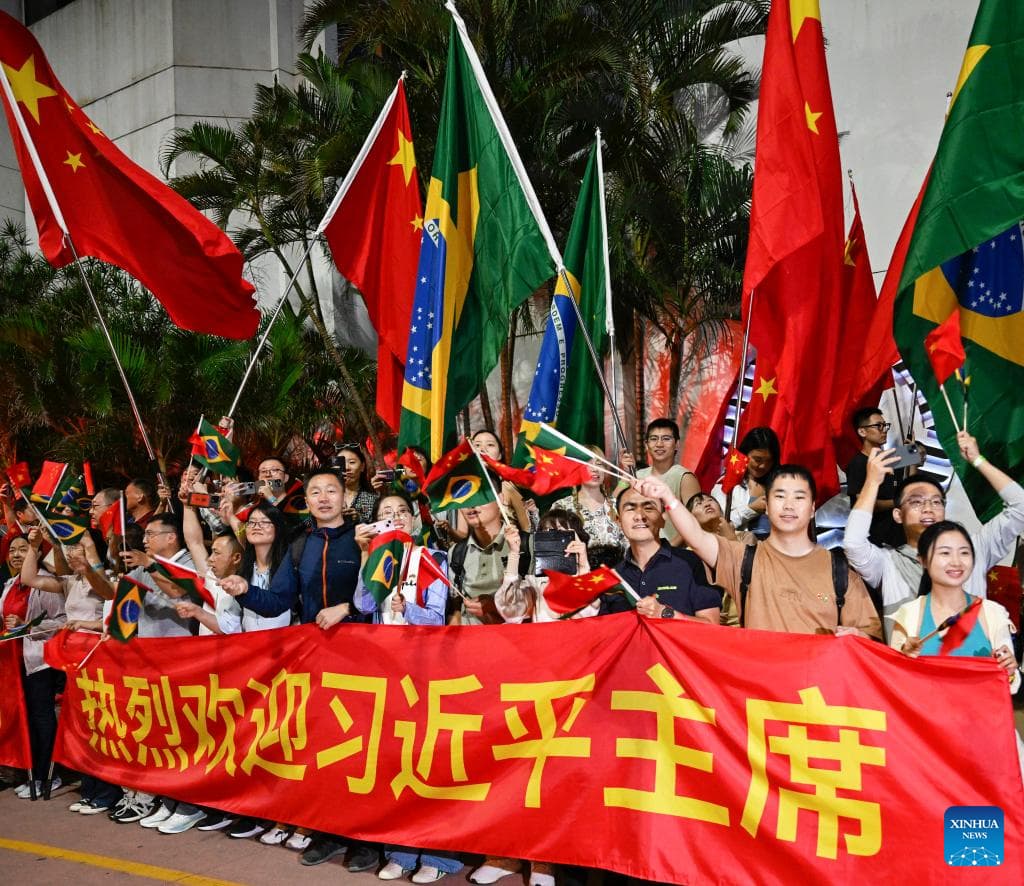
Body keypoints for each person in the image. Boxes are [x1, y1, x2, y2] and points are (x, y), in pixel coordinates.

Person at [221, 470, 371, 870]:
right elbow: (277, 603)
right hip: (316, 661)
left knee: (361, 752)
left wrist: (348, 609)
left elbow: (382, 595)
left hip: (366, 661)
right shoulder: (300, 546)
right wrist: (245, 591)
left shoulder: (362, 539)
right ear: (306, 500)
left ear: (345, 498)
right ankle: (327, 832)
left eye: (331, 491)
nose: (323, 498)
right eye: (315, 492)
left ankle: (364, 840)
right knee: (321, 749)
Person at [647, 467, 882, 638]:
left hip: (817, 698)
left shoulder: (838, 569)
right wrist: (668, 497)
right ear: (767, 507)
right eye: (780, 496)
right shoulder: (744, 559)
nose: (789, 505)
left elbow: (870, 635)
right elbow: (697, 538)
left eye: (799, 497)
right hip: (759, 698)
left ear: (812, 509)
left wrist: (859, 637)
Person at [845, 431, 1024, 640]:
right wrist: (872, 483)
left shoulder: (973, 551)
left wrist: (977, 459)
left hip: (969, 667)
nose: (928, 508)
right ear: (898, 514)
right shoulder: (887, 563)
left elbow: (1020, 506)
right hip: (910, 668)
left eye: (936, 501)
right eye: (916, 502)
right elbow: (853, 543)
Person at [20, 527, 115, 813]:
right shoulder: (69, 581)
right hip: (73, 661)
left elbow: (107, 596)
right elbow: (29, 578)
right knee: (81, 727)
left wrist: (88, 565)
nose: (71, 551)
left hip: (98, 659)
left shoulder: (107, 578)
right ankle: (89, 789)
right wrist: (34, 547)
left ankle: (106, 794)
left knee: (101, 727)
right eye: (68, 547)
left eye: (79, 545)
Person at [3, 532, 66, 799]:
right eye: (13, 550)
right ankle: (30, 771)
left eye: (23, 549)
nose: (17, 555)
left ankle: (49, 775)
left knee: (41, 717)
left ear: (37, 552)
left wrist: (27, 626)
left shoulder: (45, 583)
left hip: (39, 660)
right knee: (26, 718)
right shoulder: (9, 584)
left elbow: (62, 620)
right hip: (13, 663)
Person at [603, 486, 720, 623]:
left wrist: (665, 613)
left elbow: (712, 625)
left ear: (663, 519)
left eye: (649, 508)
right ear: (618, 520)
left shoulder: (692, 562)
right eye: (630, 508)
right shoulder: (613, 577)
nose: (640, 516)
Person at [620, 418, 700, 545]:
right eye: (653, 439)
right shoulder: (638, 476)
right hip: (641, 550)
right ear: (646, 445)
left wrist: (670, 548)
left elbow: (696, 518)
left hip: (674, 553)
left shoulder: (684, 477)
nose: (659, 444)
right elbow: (614, 509)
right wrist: (625, 473)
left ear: (677, 444)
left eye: (666, 438)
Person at [845, 407, 906, 547]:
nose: (884, 429)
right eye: (878, 426)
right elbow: (865, 504)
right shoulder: (857, 463)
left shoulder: (891, 458)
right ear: (862, 431)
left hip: (899, 534)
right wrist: (899, 502)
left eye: (885, 425)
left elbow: (907, 482)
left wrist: (912, 452)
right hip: (876, 539)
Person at [549, 446, 625, 552]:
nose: (595, 469)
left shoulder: (618, 505)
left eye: (599, 464)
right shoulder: (562, 507)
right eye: (588, 464)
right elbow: (553, 546)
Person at [711, 426, 780, 537]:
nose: (763, 466)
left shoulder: (780, 482)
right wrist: (751, 509)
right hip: (739, 549)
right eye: (758, 459)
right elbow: (718, 525)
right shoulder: (727, 483)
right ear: (745, 454)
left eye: (769, 461)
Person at [336, 444, 378, 524]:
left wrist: (360, 519)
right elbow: (307, 524)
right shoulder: (325, 498)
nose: (347, 468)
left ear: (362, 466)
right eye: (341, 463)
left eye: (352, 462)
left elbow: (380, 526)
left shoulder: (373, 499)